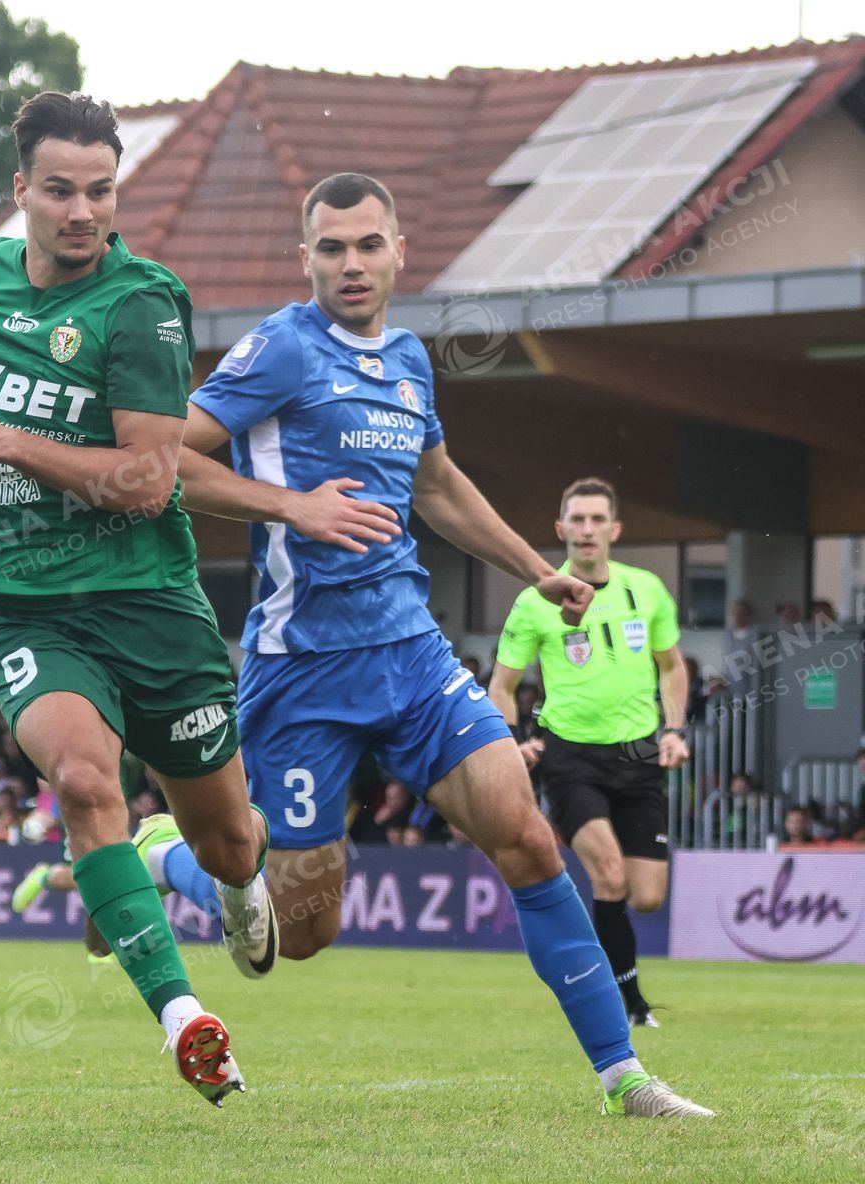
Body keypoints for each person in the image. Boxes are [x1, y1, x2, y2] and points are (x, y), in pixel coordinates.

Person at [172, 171, 708, 1116]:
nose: (351, 263)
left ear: (398, 252)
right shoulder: (282, 349)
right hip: (302, 672)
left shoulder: (410, 358)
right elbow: (164, 458)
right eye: (331, 248)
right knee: (304, 933)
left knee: (528, 838)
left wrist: (536, 570)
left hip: (413, 659)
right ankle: (178, 856)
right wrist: (292, 506)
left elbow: (438, 485)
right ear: (306, 259)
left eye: (367, 244)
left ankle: (625, 1076)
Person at [0, 91, 329, 1104]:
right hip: (25, 601)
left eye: (101, 192)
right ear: (21, 191)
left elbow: (150, 481)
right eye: (60, 190)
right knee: (80, 780)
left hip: (148, 602)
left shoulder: (143, 305)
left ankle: (220, 876)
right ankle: (185, 1020)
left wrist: (4, 440)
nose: (82, 212)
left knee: (229, 840)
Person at [488, 478, 690, 1030]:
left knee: (646, 897)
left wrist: (675, 730)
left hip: (640, 758)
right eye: (576, 519)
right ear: (560, 529)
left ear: (614, 529)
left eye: (597, 519)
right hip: (570, 758)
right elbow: (501, 686)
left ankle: (610, 976)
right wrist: (514, 740)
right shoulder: (535, 602)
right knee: (609, 875)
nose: (586, 529)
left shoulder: (646, 589)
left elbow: (673, 667)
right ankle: (628, 1003)